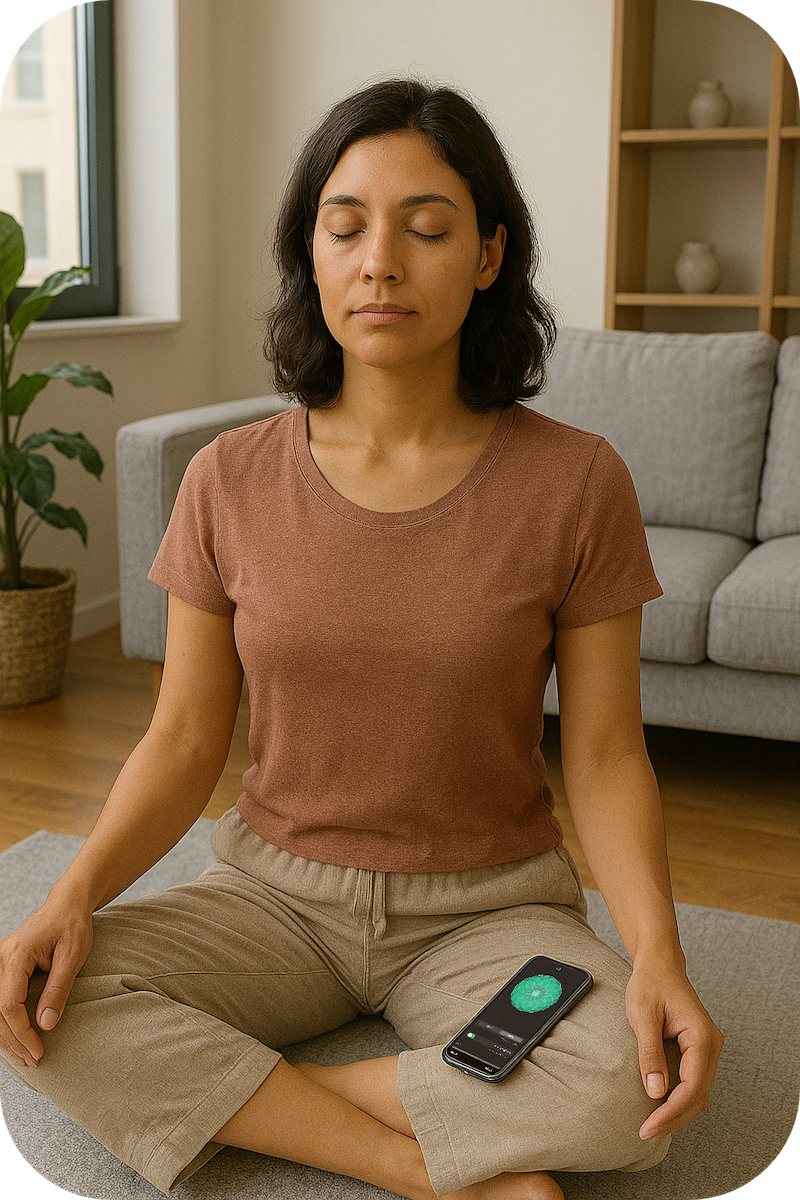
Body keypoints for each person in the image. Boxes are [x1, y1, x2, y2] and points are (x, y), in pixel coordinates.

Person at [0, 78, 723, 1200]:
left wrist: (659, 955)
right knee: (35, 996)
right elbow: (186, 737)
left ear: (486, 256)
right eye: (344, 228)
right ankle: (427, 1166)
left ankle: (256, 1094)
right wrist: (72, 894)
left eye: (424, 229)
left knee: (627, 1083)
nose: (379, 261)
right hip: (270, 896)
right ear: (312, 254)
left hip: (488, 906)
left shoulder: (577, 481)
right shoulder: (225, 480)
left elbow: (603, 755)